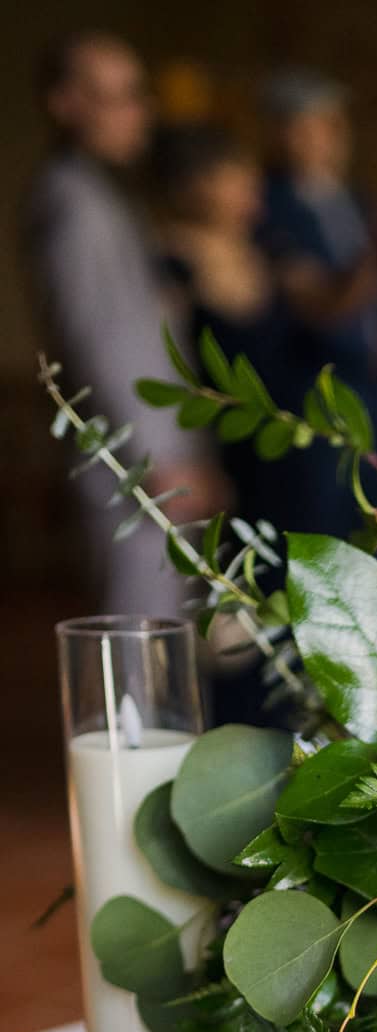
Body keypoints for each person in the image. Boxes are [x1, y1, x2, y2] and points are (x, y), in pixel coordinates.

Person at [23, 32, 222, 614]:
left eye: (139, 95)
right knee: (137, 643)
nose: (139, 112)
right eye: (119, 96)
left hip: (149, 458)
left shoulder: (105, 194)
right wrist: (158, 460)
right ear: (66, 104)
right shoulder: (72, 201)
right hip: (134, 466)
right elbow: (101, 340)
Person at [152, 124, 318, 533]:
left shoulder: (267, 249)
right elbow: (163, 369)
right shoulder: (168, 263)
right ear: (196, 184)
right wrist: (191, 459)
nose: (252, 185)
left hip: (291, 450)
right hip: (225, 456)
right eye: (236, 175)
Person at [258, 68, 377, 451]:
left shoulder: (356, 198)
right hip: (314, 392)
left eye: (338, 123)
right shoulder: (267, 207)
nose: (335, 135)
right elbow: (320, 304)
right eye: (320, 124)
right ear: (284, 131)